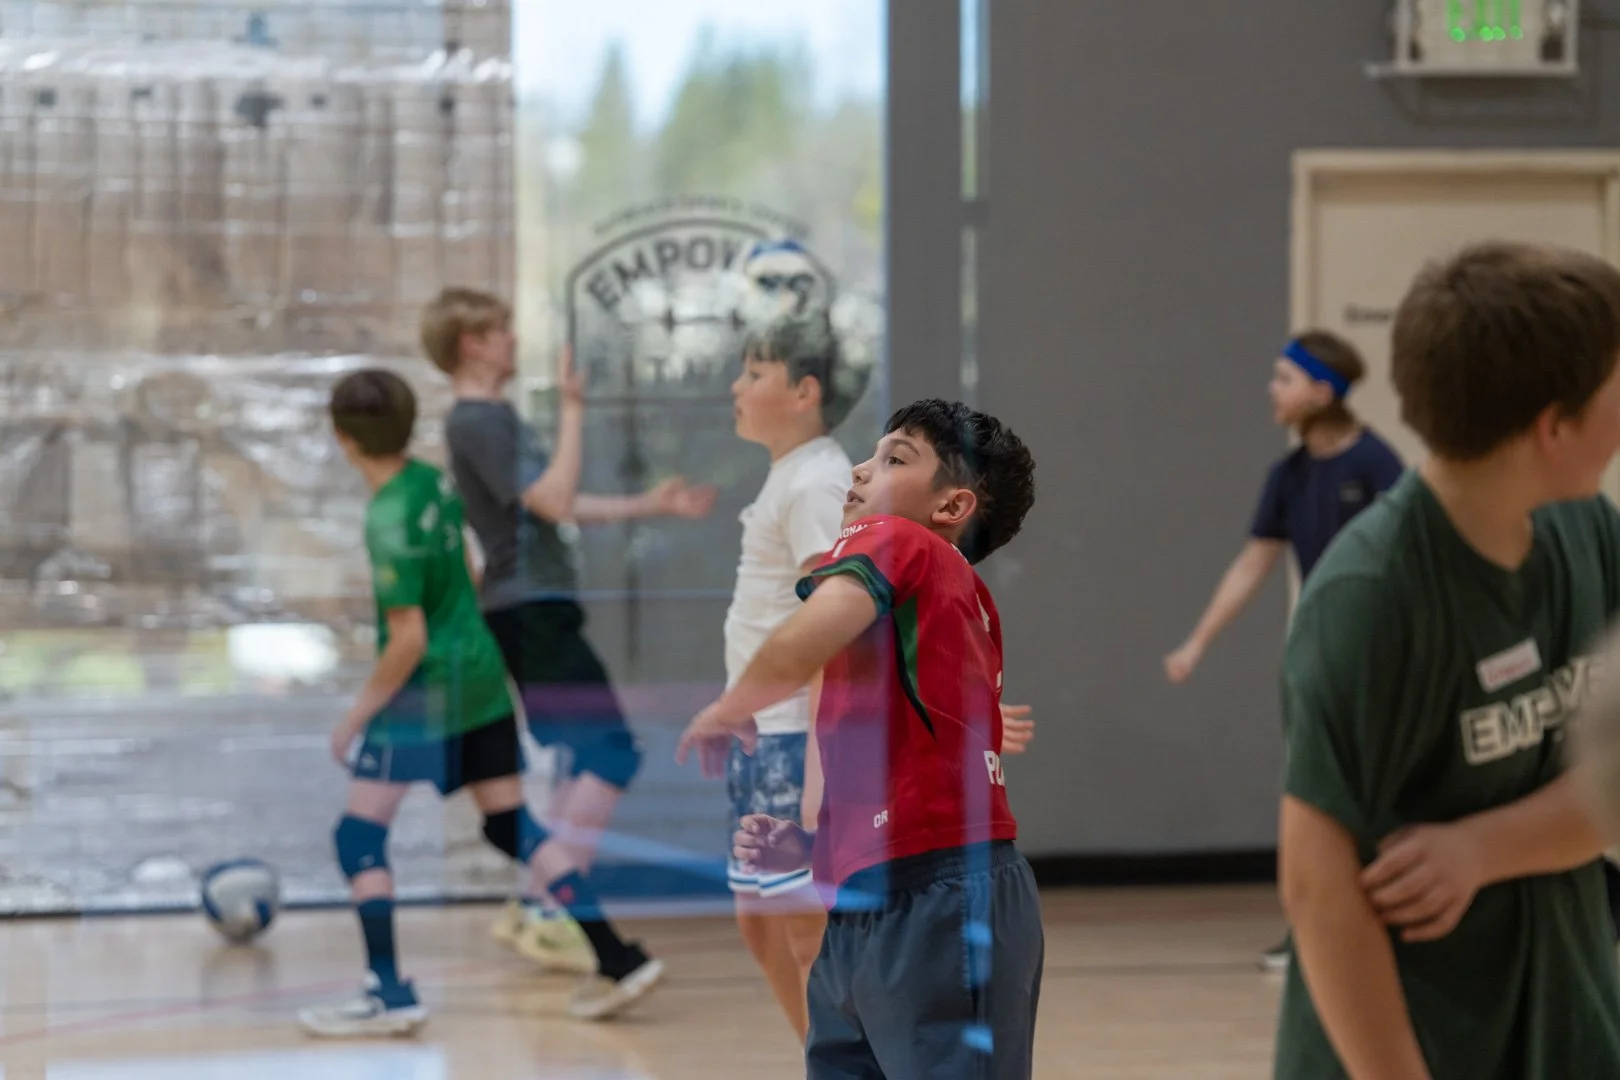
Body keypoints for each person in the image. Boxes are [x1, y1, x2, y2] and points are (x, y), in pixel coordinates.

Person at [1275, 241, 1620, 1079]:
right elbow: (1320, 893)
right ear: (1555, 424)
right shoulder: (1371, 598)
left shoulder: (1590, 530)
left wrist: (1485, 848)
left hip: (1564, 1017)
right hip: (1409, 1043)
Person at [680, 399, 1043, 1079]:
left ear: (951, 506)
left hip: (939, 899)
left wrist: (734, 705)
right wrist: (824, 848)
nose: (859, 470)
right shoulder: (938, 601)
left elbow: (807, 637)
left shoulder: (898, 539)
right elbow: (904, 760)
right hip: (873, 895)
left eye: (894, 459)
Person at [296, 370, 664, 1037]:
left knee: (358, 836)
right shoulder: (431, 482)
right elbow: (468, 574)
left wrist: (357, 716)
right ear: (409, 426)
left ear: (343, 438)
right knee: (509, 825)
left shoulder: (386, 517)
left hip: (424, 696)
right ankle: (616, 956)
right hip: (482, 679)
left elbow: (407, 637)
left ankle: (388, 991)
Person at [420, 288, 715, 973]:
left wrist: (652, 503)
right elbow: (553, 499)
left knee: (588, 759)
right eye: (501, 331)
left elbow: (557, 505)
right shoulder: (475, 422)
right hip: (527, 611)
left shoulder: (494, 418)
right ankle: (548, 909)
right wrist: (575, 410)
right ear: (471, 343)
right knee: (613, 751)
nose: (511, 341)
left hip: (538, 607)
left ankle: (540, 906)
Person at [1164, 329, 1403, 971]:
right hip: (1315, 654)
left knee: (1371, 793)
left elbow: (1412, 565)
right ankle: (1312, 932)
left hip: (1377, 658)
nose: (1272, 390)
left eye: (1284, 379)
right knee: (1312, 795)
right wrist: (1196, 644)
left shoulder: (1379, 466)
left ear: (1322, 391)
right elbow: (1252, 565)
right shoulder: (1288, 476)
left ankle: (1381, 929)